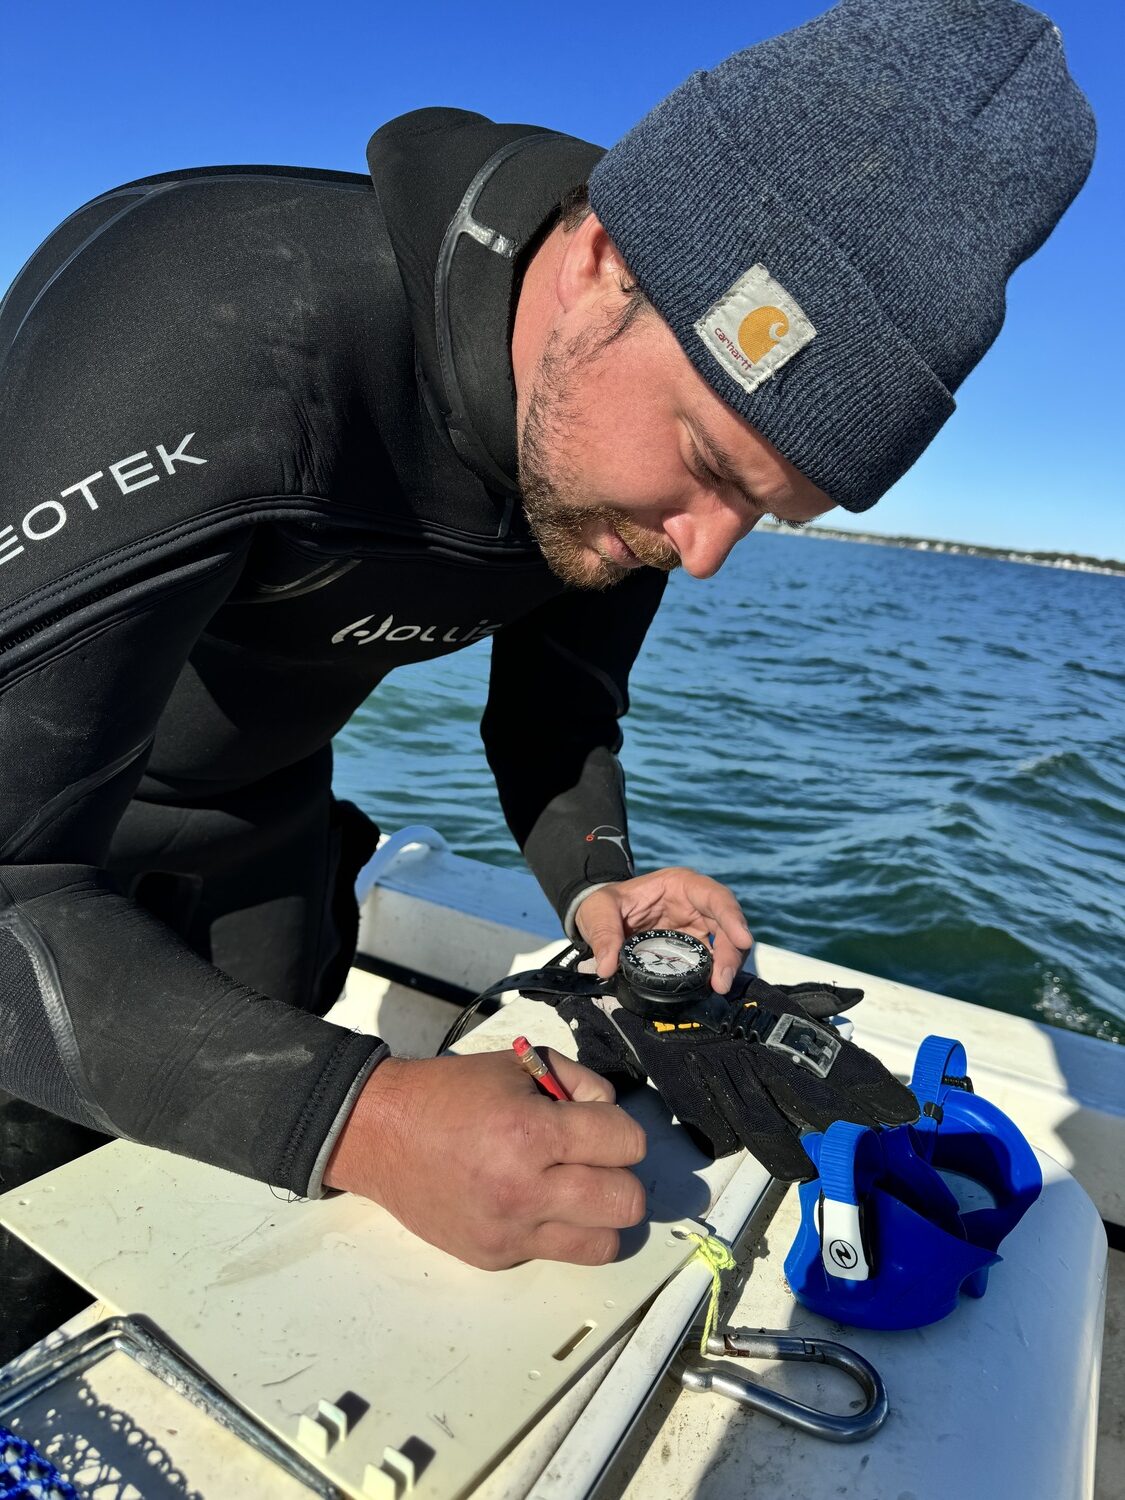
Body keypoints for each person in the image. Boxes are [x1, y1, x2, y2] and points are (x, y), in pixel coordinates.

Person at [0, 0, 1094, 1293]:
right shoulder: (210, 329)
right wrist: (367, 1116)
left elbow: (553, 715)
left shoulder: (609, 451)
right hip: (42, 873)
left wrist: (599, 883)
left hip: (266, 855)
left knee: (216, 1277)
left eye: (760, 509)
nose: (702, 553)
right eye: (703, 465)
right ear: (595, 263)